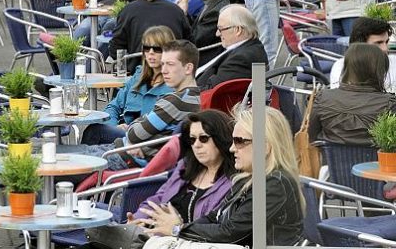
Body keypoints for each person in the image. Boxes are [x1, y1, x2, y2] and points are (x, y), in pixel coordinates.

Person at [136, 107, 305, 247]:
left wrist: (177, 229)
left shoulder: (275, 183)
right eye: (232, 141)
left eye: (239, 141)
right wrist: (168, 226)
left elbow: (231, 233)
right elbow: (214, 217)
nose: (232, 148)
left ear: (265, 147)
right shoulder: (246, 179)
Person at [127, 110, 236, 225]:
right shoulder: (186, 166)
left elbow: (212, 230)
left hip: (179, 240)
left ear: (221, 138)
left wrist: (177, 228)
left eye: (203, 138)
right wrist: (139, 218)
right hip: (152, 233)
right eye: (192, 139)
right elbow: (159, 198)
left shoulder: (232, 184)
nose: (197, 145)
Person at [81, 26, 175, 145]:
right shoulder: (139, 76)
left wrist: (130, 129)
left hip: (146, 140)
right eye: (147, 48)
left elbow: (160, 127)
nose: (151, 52)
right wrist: (115, 126)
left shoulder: (172, 85)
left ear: (168, 51)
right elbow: (113, 106)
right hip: (125, 133)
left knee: (95, 131)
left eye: (157, 49)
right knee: (95, 129)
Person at [124, 40, 201, 156]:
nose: (163, 70)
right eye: (163, 64)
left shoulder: (176, 101)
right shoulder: (195, 96)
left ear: (188, 68)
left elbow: (134, 135)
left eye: (170, 64)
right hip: (140, 155)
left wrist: (131, 138)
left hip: (132, 160)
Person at [310, 43, 396, 146]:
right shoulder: (390, 105)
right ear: (380, 71)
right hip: (378, 161)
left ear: (347, 68)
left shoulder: (323, 98)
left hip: (331, 161)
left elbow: (309, 137)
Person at [110, 0, 191, 73]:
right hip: (174, 72)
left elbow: (116, 48)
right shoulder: (176, 10)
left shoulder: (128, 11)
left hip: (138, 72)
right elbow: (189, 43)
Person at [196, 5, 269, 91]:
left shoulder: (242, 58)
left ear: (238, 30)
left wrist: (183, 89)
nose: (217, 34)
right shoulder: (252, 47)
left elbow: (211, 91)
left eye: (220, 29)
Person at [329, 17, 396, 92]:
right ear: (361, 46)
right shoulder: (340, 66)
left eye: (386, 42)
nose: (385, 48)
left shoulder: (393, 62)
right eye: (378, 43)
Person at [183, 0, 230, 66]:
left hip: (206, 66)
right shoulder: (211, 3)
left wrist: (183, 15)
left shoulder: (216, 11)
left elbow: (194, 40)